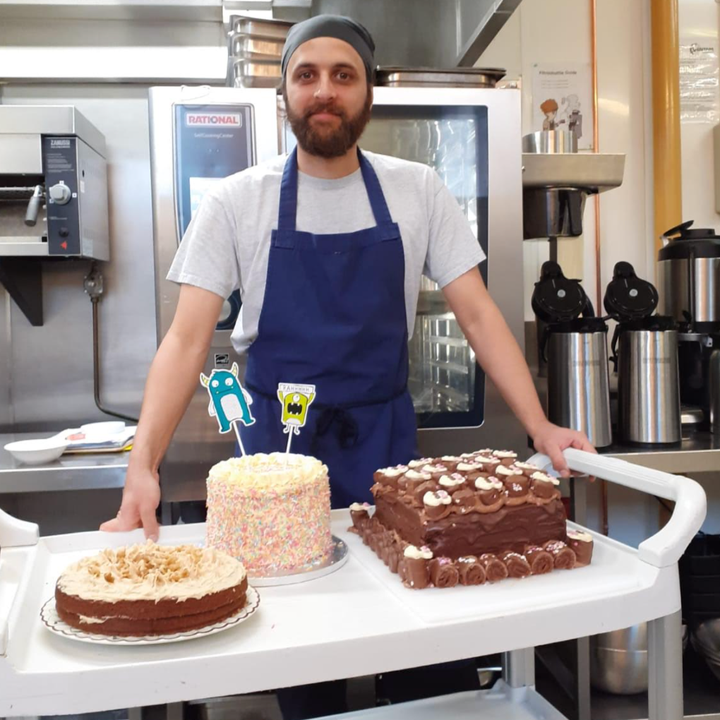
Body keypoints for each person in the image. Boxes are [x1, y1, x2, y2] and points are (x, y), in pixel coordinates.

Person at [102, 14, 594, 718]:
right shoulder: (237, 201)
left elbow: (480, 315)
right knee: (307, 662)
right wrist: (142, 466)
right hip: (278, 465)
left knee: (425, 653)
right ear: (285, 96)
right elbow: (183, 342)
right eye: (306, 75)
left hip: (385, 455)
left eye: (343, 75)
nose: (324, 91)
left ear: (367, 94)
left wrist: (542, 427)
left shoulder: (416, 190)